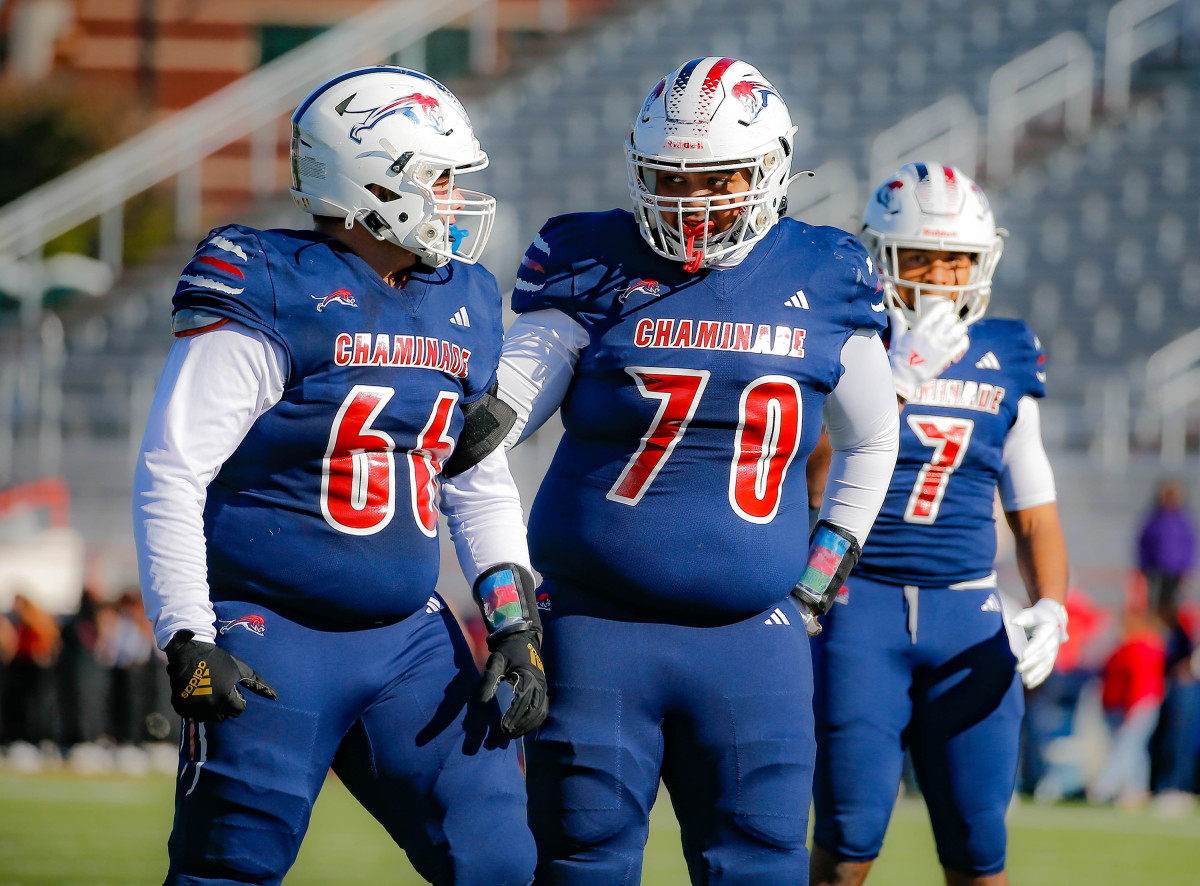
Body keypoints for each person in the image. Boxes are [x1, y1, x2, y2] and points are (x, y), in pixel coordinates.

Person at [132, 66, 544, 886]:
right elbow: (173, 470)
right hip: (273, 631)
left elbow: (473, 479)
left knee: (498, 859)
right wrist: (186, 634)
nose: (456, 198)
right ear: (372, 178)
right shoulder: (271, 282)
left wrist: (513, 623)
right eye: (438, 178)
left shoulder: (459, 296)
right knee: (230, 867)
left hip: (409, 640)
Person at [496, 57, 900, 884]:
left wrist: (818, 581)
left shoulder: (825, 271)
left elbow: (874, 439)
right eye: (669, 181)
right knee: (582, 861)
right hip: (596, 630)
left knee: (761, 867)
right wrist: (505, 598)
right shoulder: (593, 259)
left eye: (715, 181)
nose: (690, 204)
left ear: (770, 169)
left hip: (755, 638)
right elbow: (489, 428)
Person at [808, 162, 1070, 886]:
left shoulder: (1008, 352)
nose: (942, 276)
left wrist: (1050, 602)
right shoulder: (848, 342)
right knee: (847, 846)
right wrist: (894, 377)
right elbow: (816, 480)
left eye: (958, 259)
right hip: (861, 607)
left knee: (980, 853)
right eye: (922, 256)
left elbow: (1035, 509)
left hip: (968, 611)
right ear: (884, 257)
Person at [1136, 478, 1196, 623]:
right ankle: (1156, 629)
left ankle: (1171, 631)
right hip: (1155, 570)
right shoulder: (1154, 519)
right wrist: (1143, 566)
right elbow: (1143, 544)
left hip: (1175, 570)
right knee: (1154, 603)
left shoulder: (1182, 522)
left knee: (1173, 603)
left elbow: (1189, 546)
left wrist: (1187, 568)